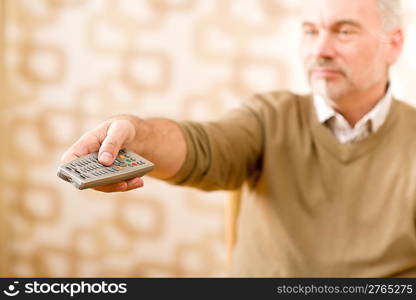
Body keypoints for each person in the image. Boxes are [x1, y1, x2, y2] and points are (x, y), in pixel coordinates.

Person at [62, 0, 415, 277]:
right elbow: (206, 147)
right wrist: (137, 134)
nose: (320, 49)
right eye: (310, 31)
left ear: (393, 44)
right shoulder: (269, 116)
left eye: (344, 31)